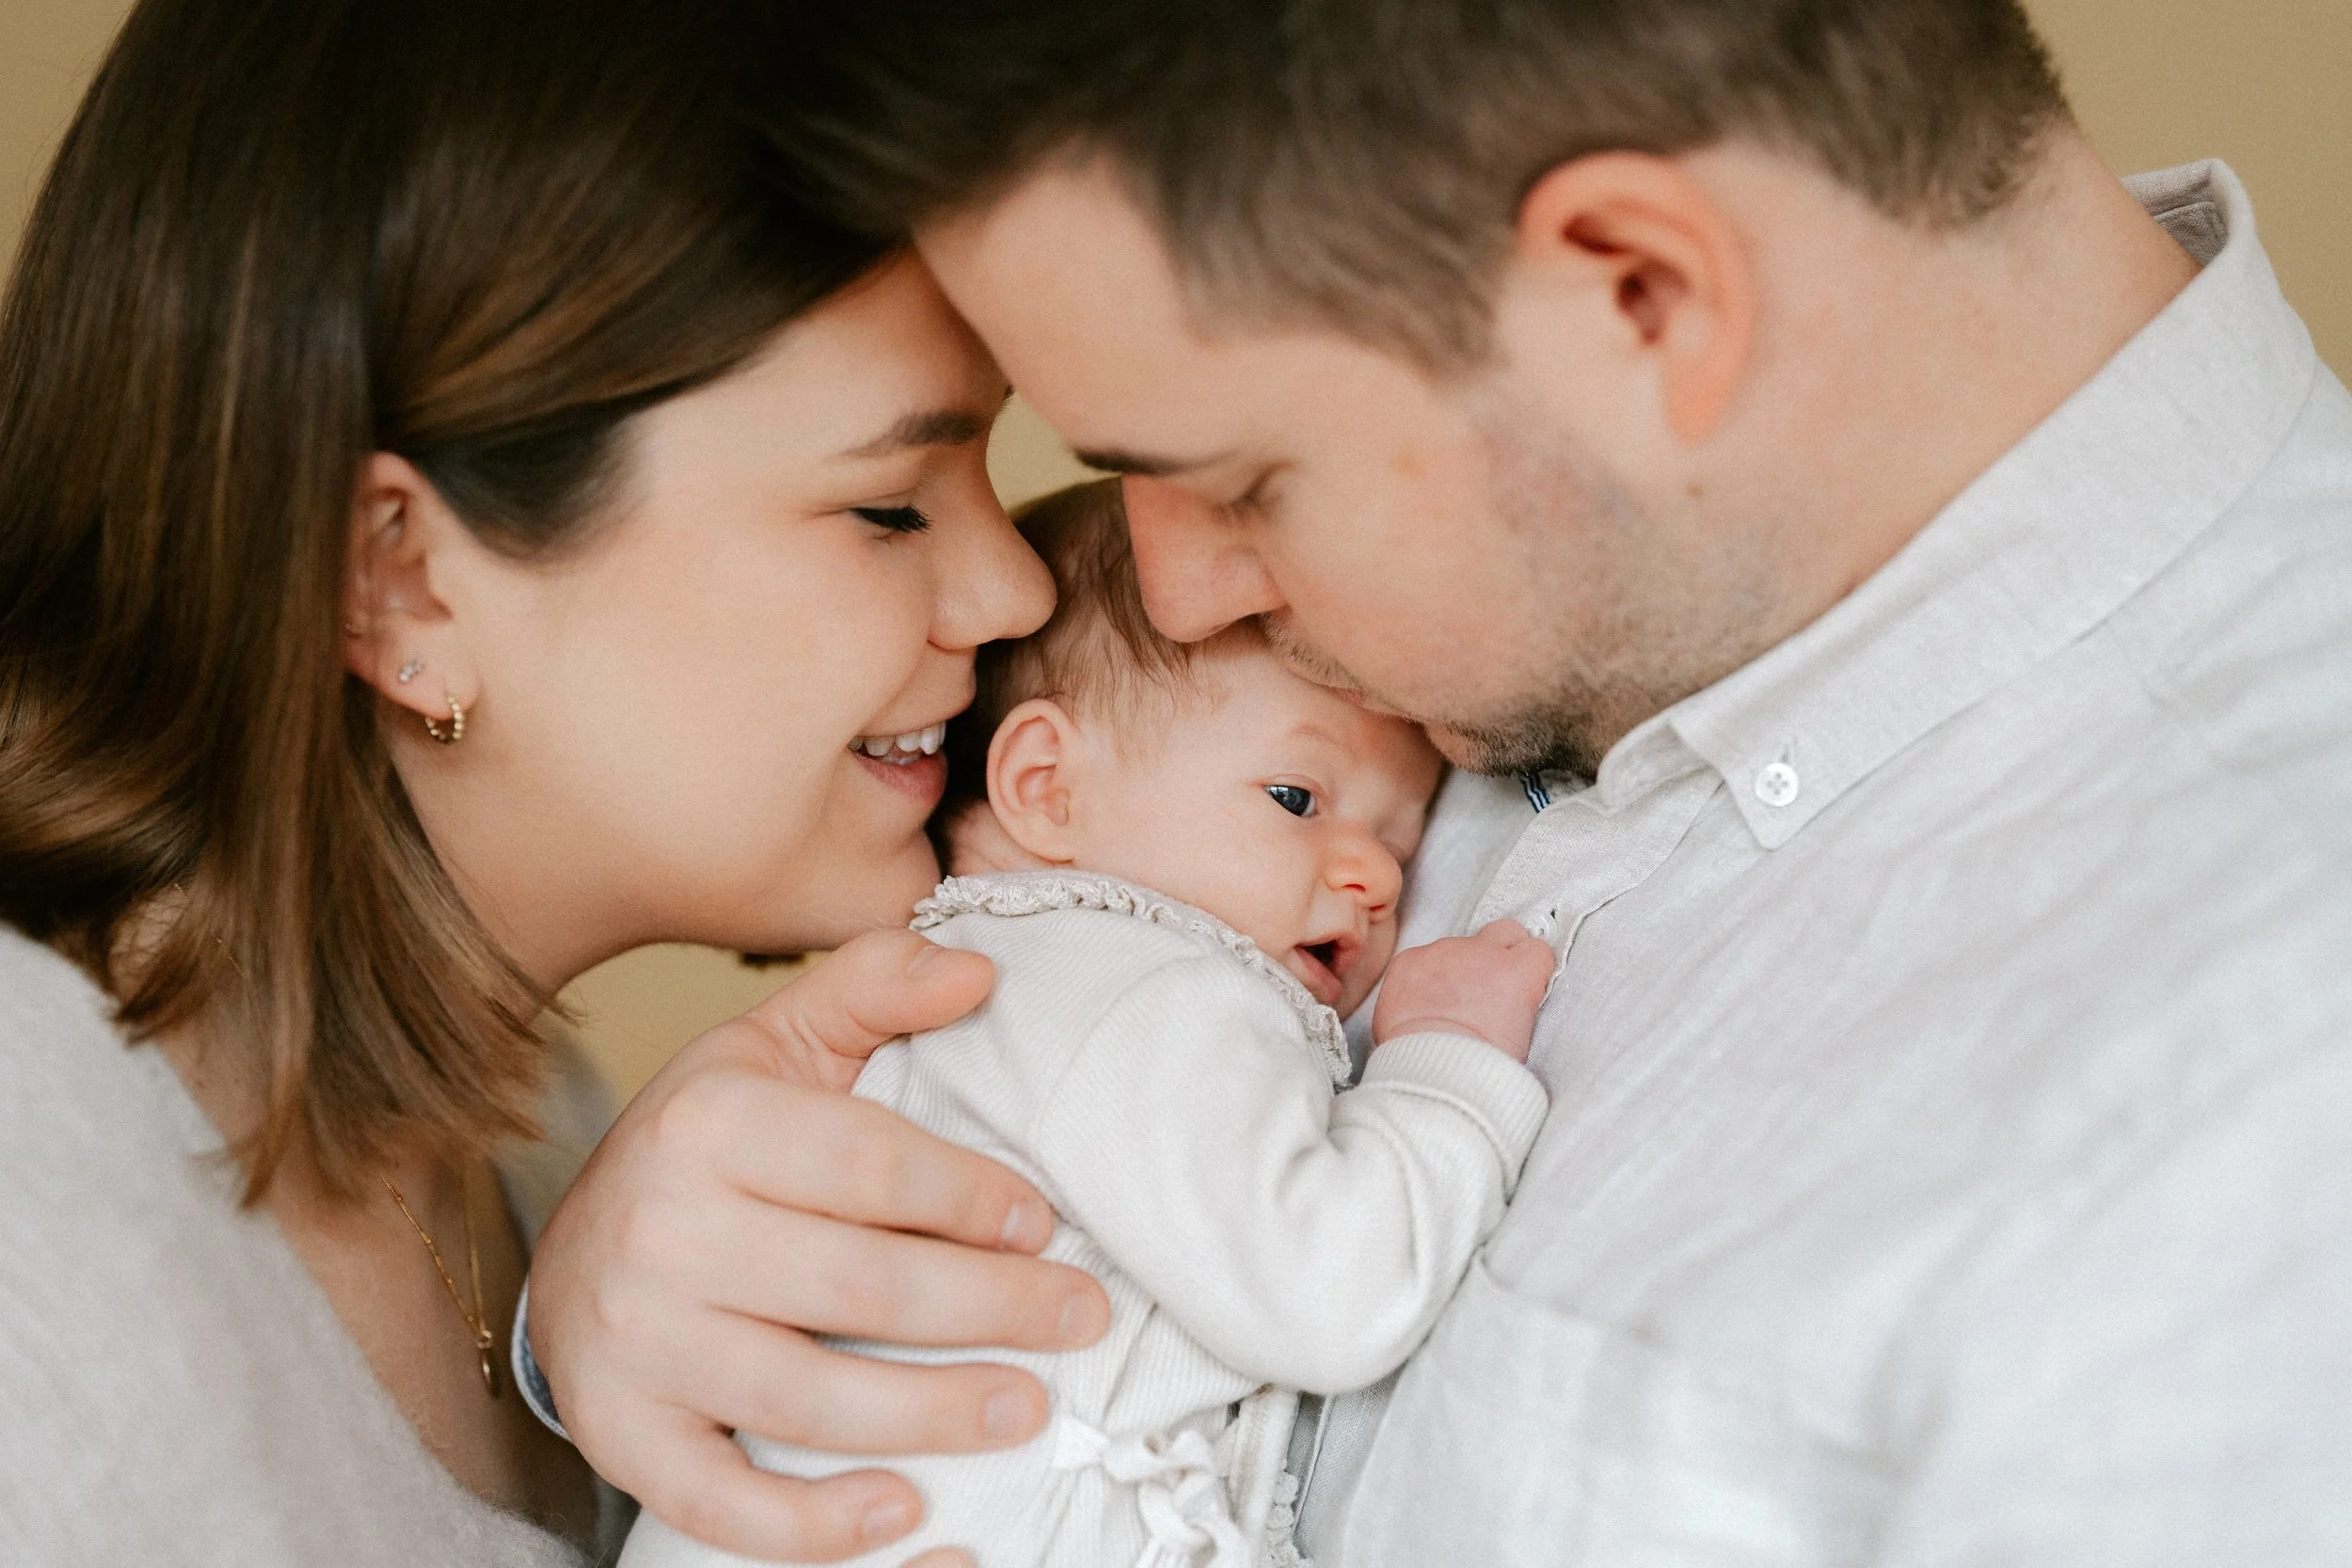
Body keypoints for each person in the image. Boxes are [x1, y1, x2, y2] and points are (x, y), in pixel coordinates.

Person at [525, 0, 2352, 1562]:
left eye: (1237, 479)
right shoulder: (1443, 652)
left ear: (1638, 295)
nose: (1169, 595)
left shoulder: (2249, 1121)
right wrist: (636, 1293)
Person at [0, 0, 1090, 1560]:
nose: (1016, 592)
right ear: (399, 587)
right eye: (889, 507)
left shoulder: (550, 1152)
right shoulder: (27, 1188)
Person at [618, 481, 1552, 1568]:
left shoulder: (1011, 990)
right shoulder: (1129, 982)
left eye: (1401, 841)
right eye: (1296, 797)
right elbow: (1330, 1288)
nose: (1372, 875)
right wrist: (1446, 1072)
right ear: (1047, 784)